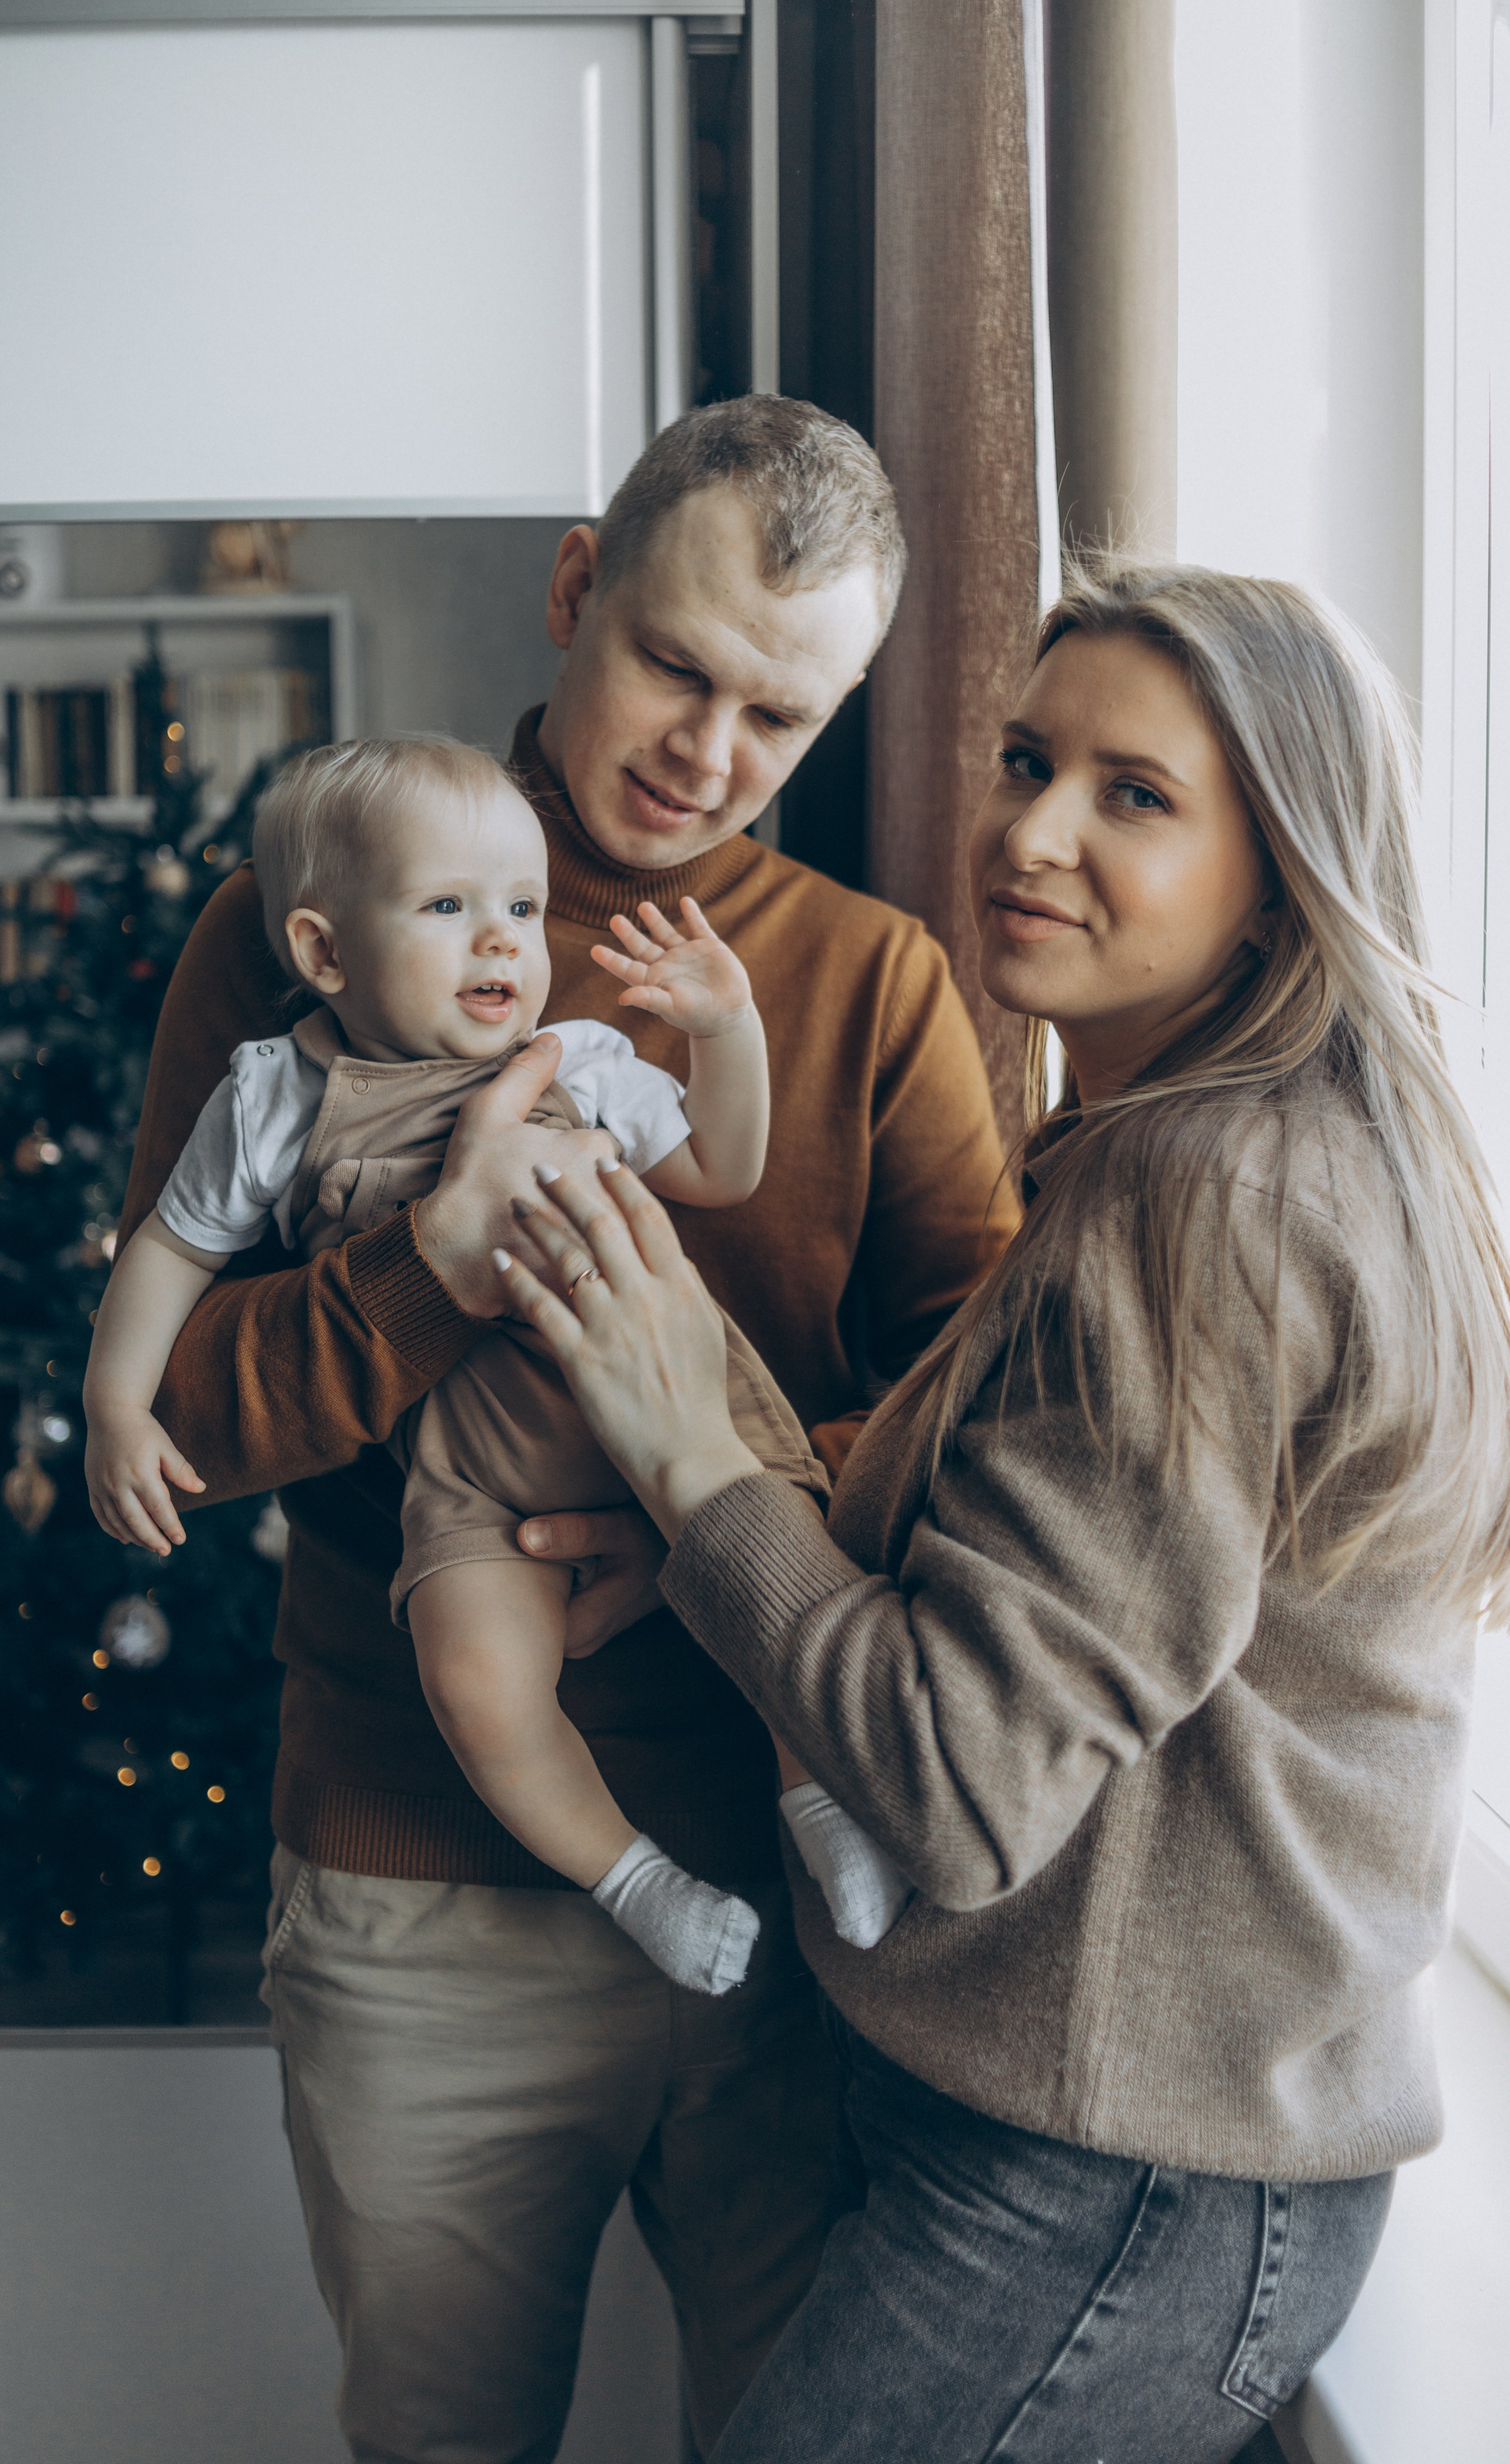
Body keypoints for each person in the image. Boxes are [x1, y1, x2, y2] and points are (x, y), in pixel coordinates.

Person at [493, 559, 1510, 2462]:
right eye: (1030, 761)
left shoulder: (1220, 1205)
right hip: (1096, 2132)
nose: (1032, 832)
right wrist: (739, 1541)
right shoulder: (1202, 1149)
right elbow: (1058, 1576)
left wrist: (695, 1459)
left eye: (1137, 795)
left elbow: (959, 1788)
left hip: (1119, 2184)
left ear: (1280, 868)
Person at [115, 395, 1019, 2462]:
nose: (711, 753)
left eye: (779, 718)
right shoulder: (305, 936)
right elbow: (171, 1406)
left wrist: (733, 1516)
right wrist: (436, 1263)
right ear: (572, 590)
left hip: (808, 1905)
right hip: (413, 1894)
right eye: (677, 666)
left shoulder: (874, 990)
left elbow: (991, 1434)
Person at [85, 734, 832, 1998]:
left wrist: (729, 1030)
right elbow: (167, 1249)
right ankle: (634, 1879)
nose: (502, 943)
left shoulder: (580, 1063)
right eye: (448, 908)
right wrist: (114, 1403)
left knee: (777, 1589)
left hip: (671, 1411)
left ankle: (822, 1805)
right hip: (475, 1470)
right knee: (475, 1681)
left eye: (523, 910)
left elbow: (720, 1165)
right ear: (324, 953)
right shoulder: (278, 1097)